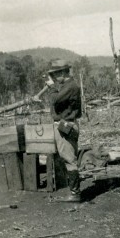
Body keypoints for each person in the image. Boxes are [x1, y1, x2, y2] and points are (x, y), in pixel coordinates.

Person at [38, 60, 82, 202]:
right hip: (65, 124)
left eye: (55, 74)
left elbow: (55, 101)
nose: (54, 78)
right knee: (68, 158)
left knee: (69, 159)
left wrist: (51, 87)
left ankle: (75, 194)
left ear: (63, 72)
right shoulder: (66, 86)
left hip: (66, 125)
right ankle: (74, 192)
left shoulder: (70, 86)